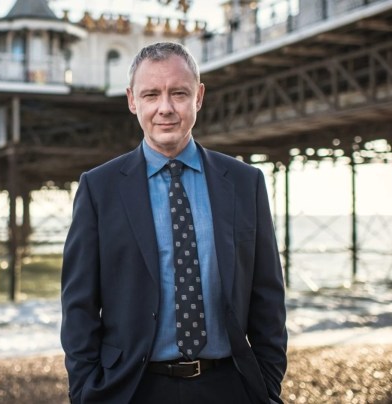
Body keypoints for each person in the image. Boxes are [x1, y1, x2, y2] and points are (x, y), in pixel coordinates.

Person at [60, 42, 287, 403]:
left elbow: (267, 297)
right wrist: (87, 390)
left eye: (178, 93)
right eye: (151, 95)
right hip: (132, 388)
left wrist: (267, 384)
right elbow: (79, 305)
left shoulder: (245, 183)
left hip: (229, 386)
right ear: (132, 101)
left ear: (198, 97)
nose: (165, 108)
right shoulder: (98, 188)